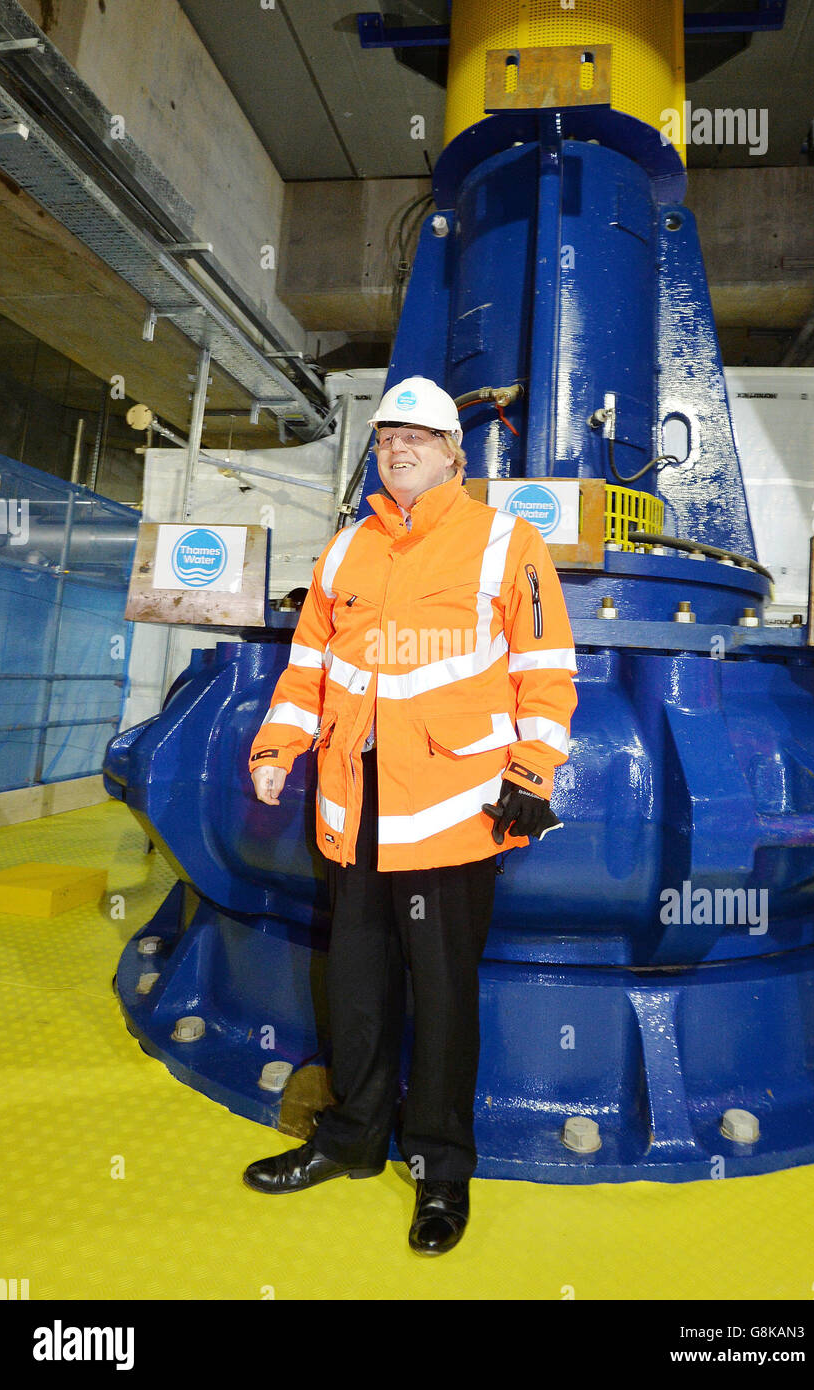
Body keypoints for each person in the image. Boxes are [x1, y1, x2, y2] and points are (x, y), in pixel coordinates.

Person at [243, 376, 578, 1255]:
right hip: (355, 807)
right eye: (388, 437)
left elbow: (545, 671)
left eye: (419, 439)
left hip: (454, 813)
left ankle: (440, 1175)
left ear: (454, 457)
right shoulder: (345, 550)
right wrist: (277, 749)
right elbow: (309, 670)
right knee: (355, 983)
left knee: (442, 997)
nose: (400, 448)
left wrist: (534, 771)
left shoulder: (508, 541)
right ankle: (350, 1139)